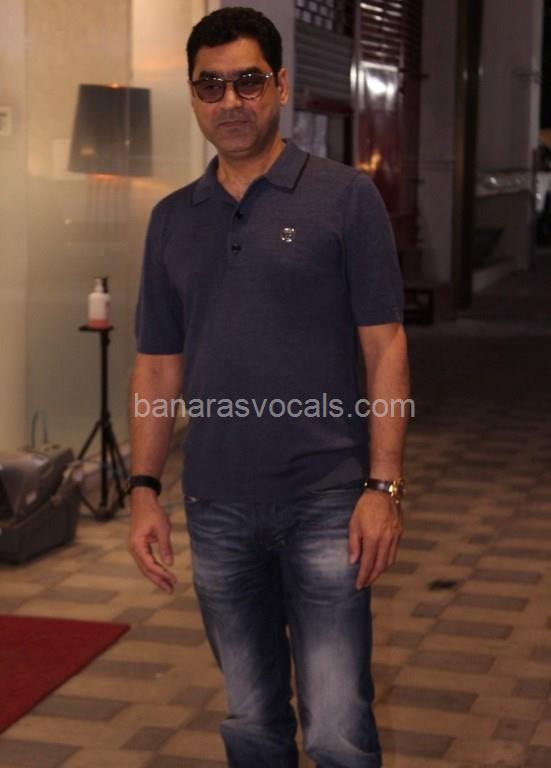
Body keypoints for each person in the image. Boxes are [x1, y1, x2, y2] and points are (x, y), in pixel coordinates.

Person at [127, 7, 410, 768]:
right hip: (216, 503)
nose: (231, 101)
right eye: (211, 85)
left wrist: (383, 486)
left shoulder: (344, 198)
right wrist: (144, 487)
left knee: (337, 729)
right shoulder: (171, 220)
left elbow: (384, 346)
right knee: (251, 721)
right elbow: (157, 364)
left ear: (280, 85)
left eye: (248, 81)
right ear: (193, 94)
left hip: (326, 499)